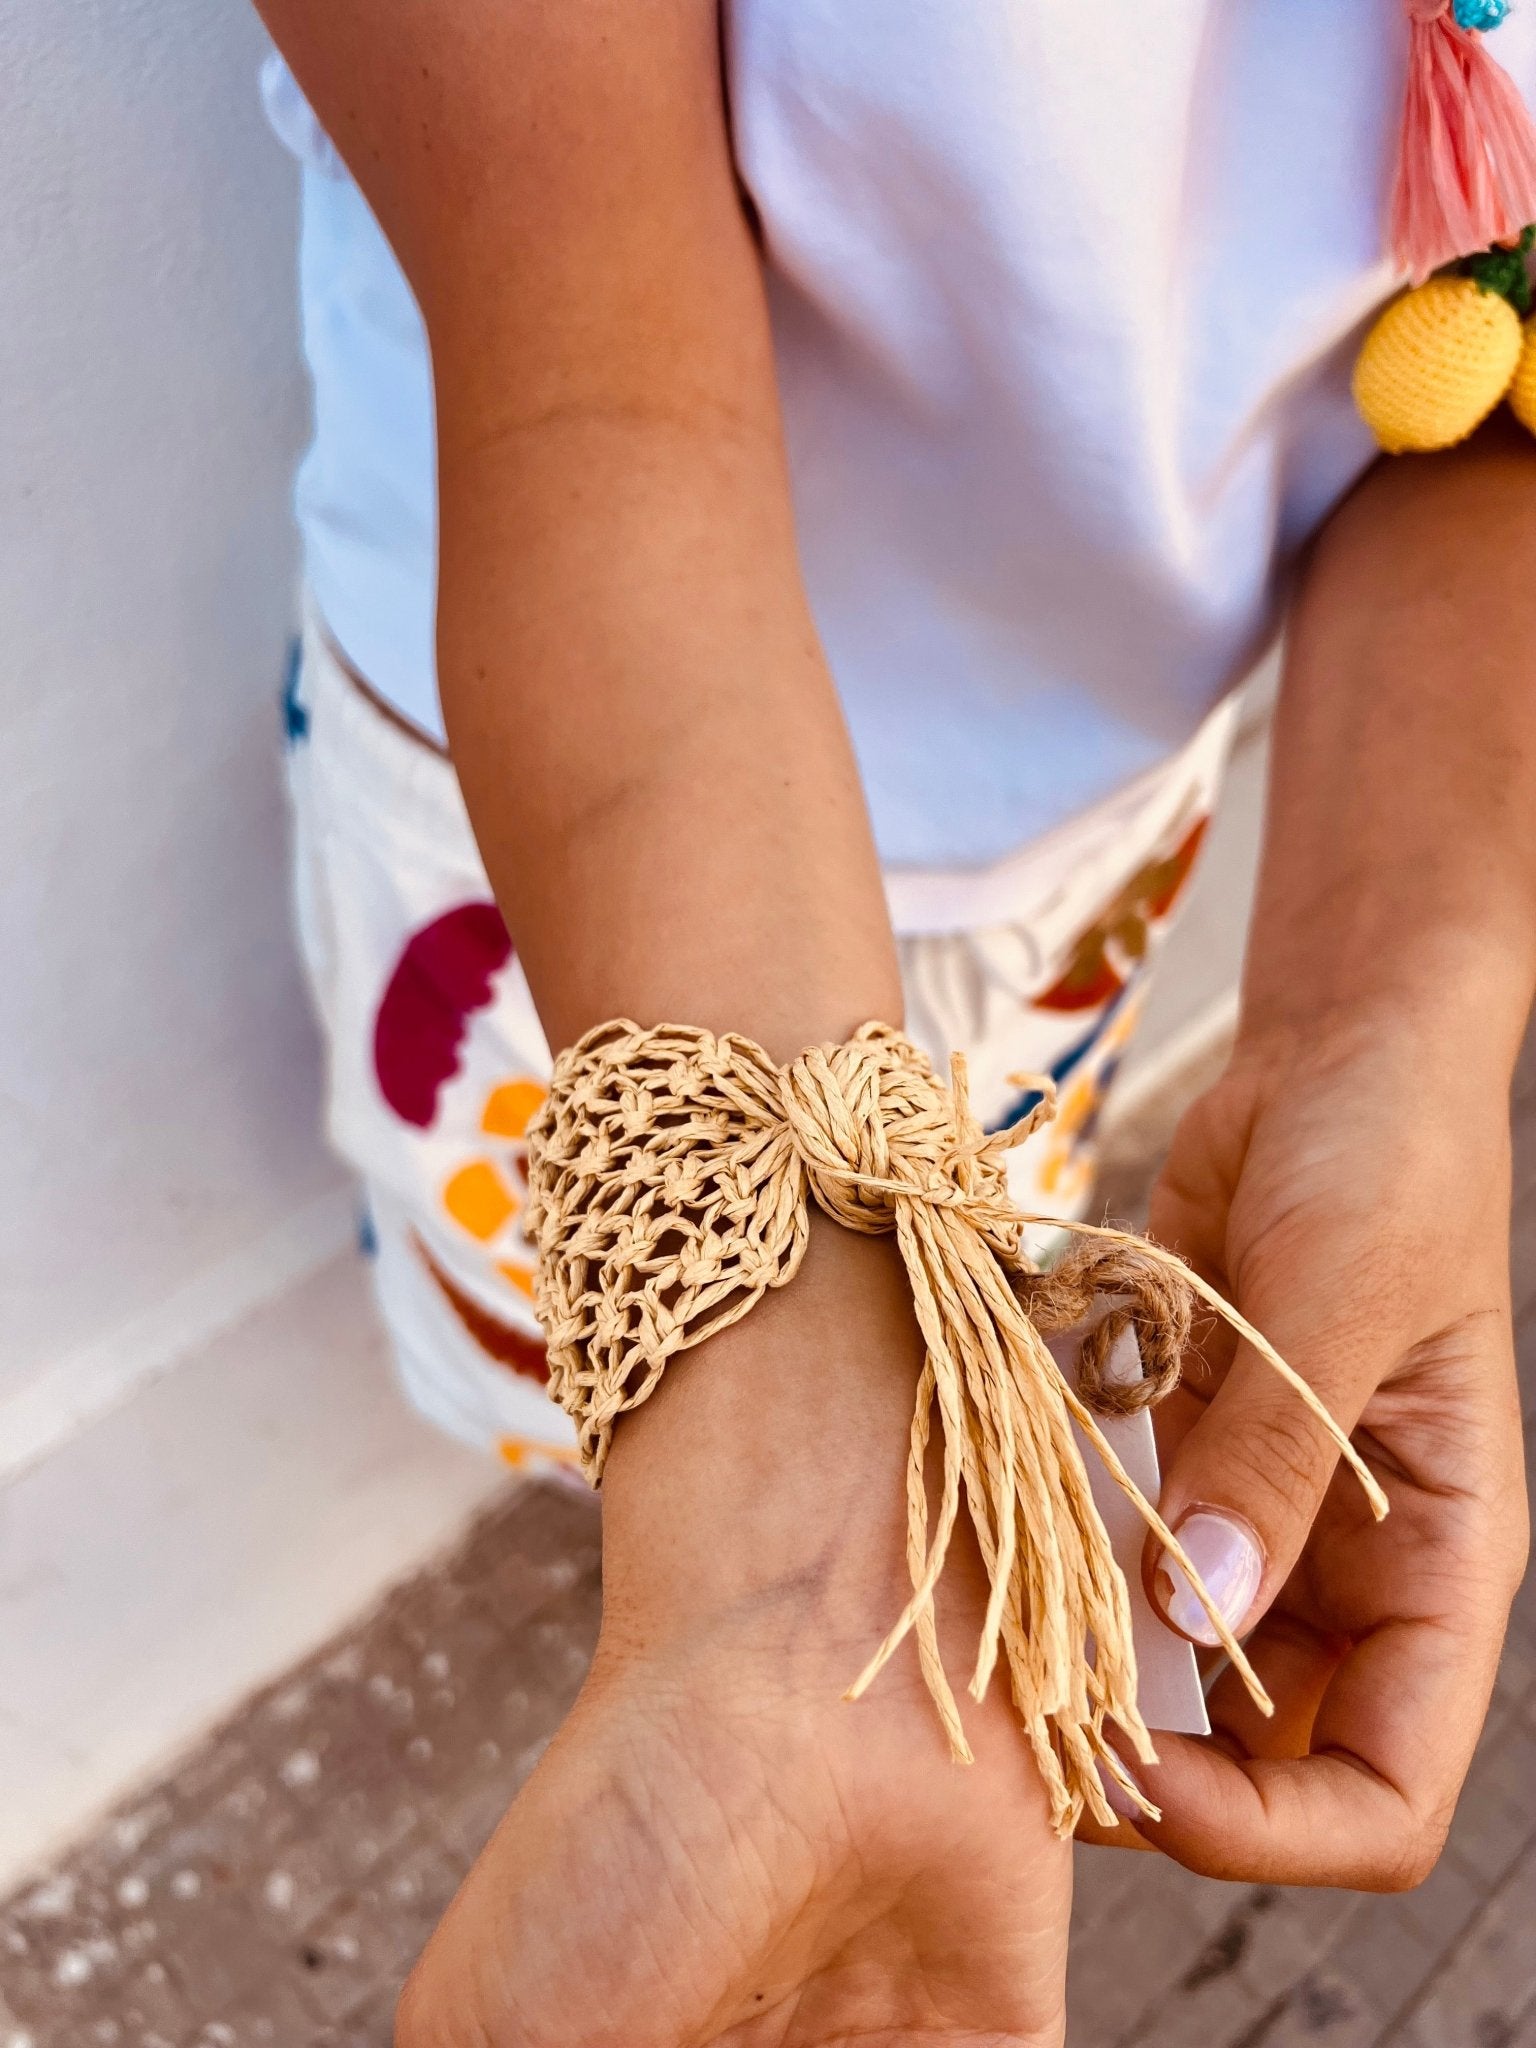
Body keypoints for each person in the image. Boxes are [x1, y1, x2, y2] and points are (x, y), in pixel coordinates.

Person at [253, 6, 1534, 2042]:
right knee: (570, 1355)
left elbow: (1479, 397)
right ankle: (681, 1529)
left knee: (978, 1287)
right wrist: (792, 1554)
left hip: (1100, 840)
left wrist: (1401, 994)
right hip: (572, 846)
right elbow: (593, 391)